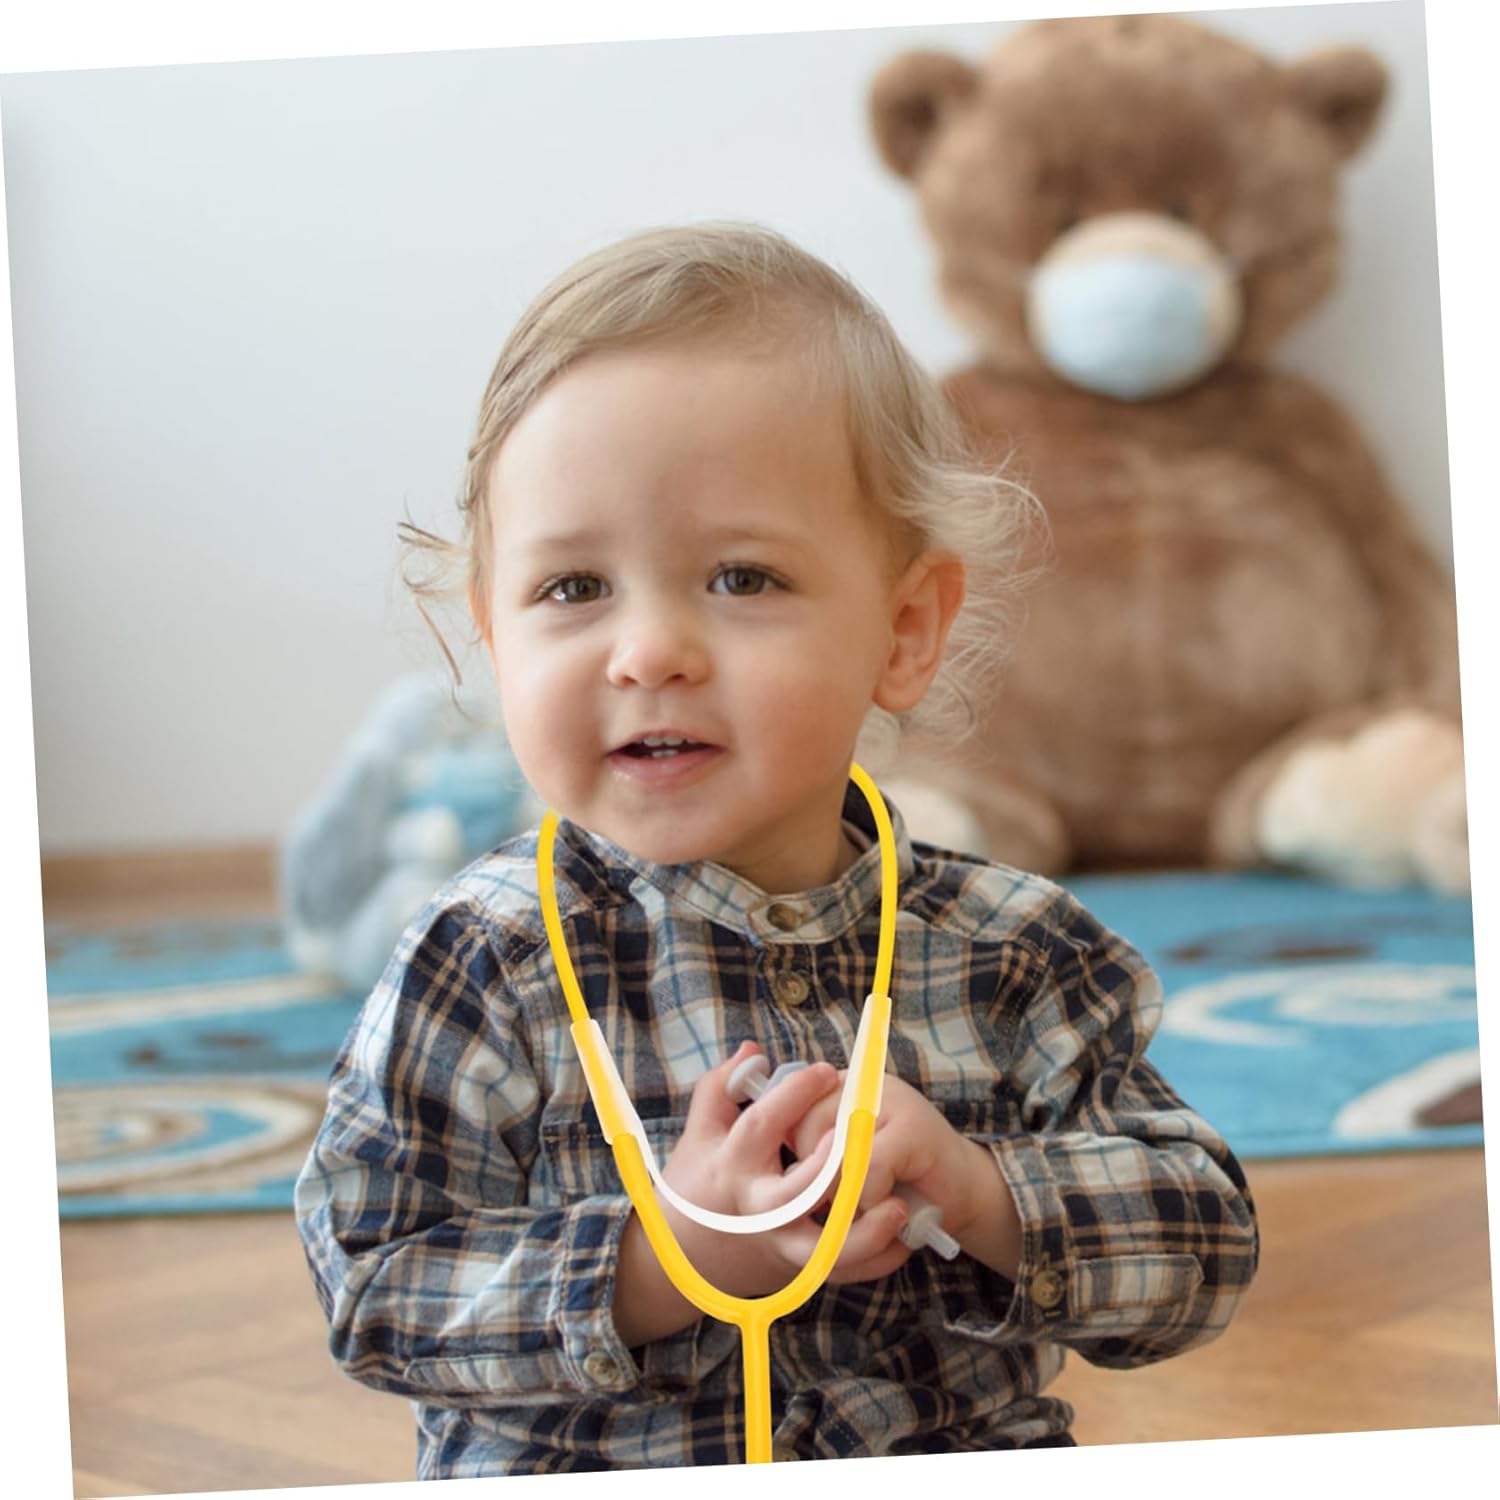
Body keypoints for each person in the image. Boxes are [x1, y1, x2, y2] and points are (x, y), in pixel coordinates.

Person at [294, 222, 1259, 1476]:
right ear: (494, 633)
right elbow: (373, 1286)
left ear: (903, 632)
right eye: (573, 589)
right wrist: (671, 1257)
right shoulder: (481, 960)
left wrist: (983, 1193)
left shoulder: (1018, 954)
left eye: (741, 578)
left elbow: (1203, 1253)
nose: (649, 652)